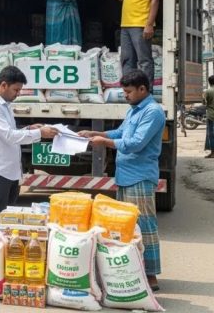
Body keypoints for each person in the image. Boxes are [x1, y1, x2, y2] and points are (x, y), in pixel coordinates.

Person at [78, 70, 165, 291]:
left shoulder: (153, 112)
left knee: (145, 226)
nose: (124, 95)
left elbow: (135, 143)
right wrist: (96, 134)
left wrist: (104, 143)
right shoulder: (134, 110)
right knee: (127, 226)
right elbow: (121, 133)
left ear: (142, 89)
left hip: (140, 176)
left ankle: (151, 274)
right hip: (126, 175)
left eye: (128, 92)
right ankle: (133, 268)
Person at [0, 66, 57, 229]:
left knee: (8, 222)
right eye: (16, 89)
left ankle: (2, 252)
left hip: (10, 171)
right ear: (3, 85)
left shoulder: (4, 105)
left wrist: (28, 130)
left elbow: (10, 133)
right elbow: (9, 136)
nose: (18, 94)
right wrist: (39, 133)